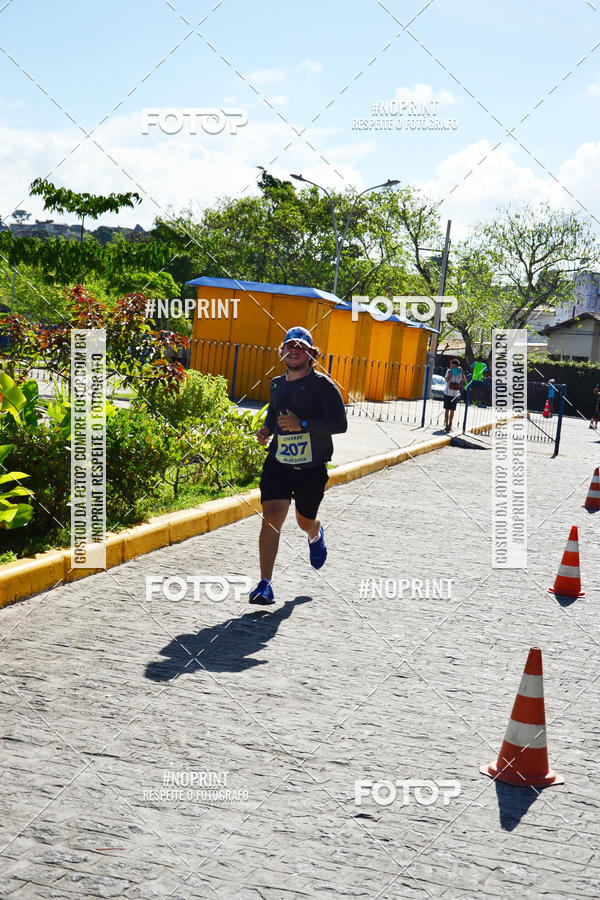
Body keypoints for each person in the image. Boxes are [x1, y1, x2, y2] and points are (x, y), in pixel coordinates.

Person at [249, 326, 348, 605]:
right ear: (282, 352)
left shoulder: (323, 386)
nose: (294, 351)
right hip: (279, 463)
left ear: (311, 354)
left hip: (311, 468)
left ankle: (315, 534)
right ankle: (265, 584)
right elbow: (274, 412)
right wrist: (266, 430)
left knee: (304, 521)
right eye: (289, 346)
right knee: (271, 518)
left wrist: (302, 424)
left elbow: (339, 424)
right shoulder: (277, 384)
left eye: (301, 347)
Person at [443, 358, 466, 432]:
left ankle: (450, 424)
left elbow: (464, 380)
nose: (452, 367)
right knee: (447, 409)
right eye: (451, 366)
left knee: (452, 410)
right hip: (447, 393)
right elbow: (446, 380)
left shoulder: (459, 372)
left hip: (455, 394)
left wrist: (461, 372)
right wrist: (451, 373)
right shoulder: (448, 371)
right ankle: (446, 425)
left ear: (457, 366)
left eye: (453, 366)